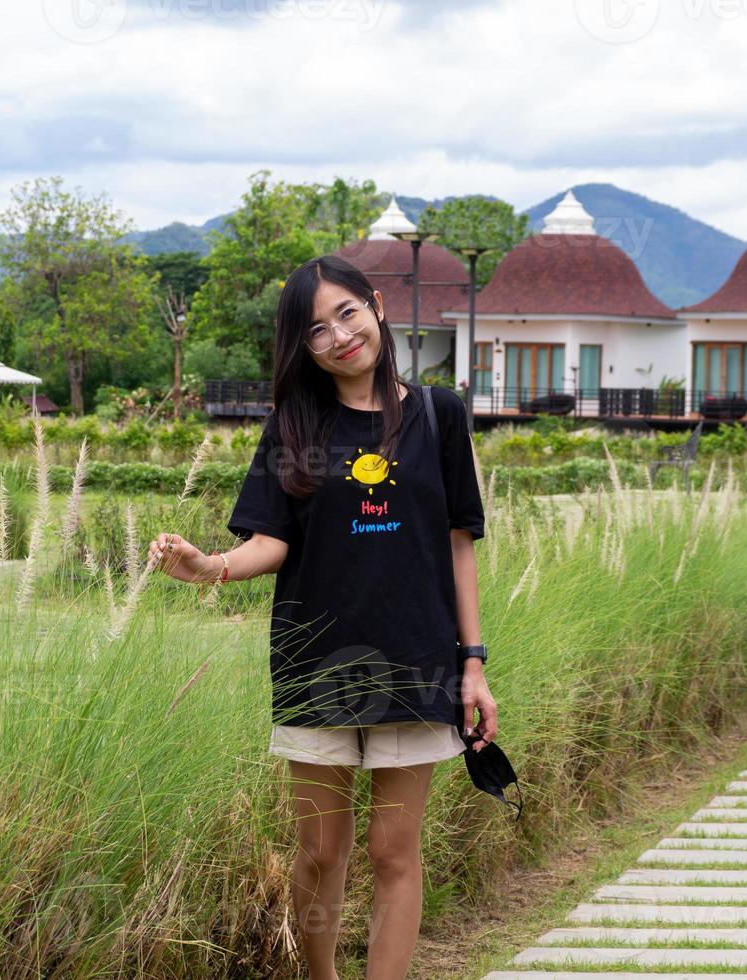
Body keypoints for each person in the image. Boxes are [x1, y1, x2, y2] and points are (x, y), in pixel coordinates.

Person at [148, 254, 497, 980]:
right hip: (316, 665)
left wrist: (472, 664)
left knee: (393, 853)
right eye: (316, 329)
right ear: (301, 348)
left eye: (346, 313)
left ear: (374, 305)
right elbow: (270, 543)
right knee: (320, 851)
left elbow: (458, 546)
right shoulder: (294, 424)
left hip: (415, 660)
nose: (339, 335)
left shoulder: (438, 415)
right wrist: (207, 564)